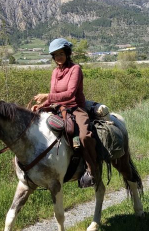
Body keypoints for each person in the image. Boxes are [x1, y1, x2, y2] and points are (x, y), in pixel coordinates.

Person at [32, 38, 100, 188]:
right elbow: (52, 95)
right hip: (59, 108)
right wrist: (43, 105)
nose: (58, 57)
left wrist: (48, 97)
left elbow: (70, 94)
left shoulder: (75, 69)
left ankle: (91, 171)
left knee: (84, 135)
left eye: (61, 53)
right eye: (55, 55)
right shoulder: (55, 72)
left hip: (76, 108)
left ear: (67, 53)